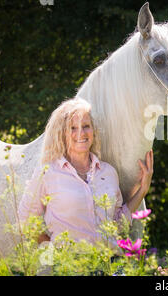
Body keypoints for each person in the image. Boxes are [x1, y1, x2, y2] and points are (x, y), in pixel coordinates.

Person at [18, 97, 153, 248]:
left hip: (105, 265)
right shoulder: (48, 172)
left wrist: (143, 190)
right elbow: (25, 219)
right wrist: (52, 253)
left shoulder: (108, 172)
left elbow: (116, 225)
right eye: (73, 128)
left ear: (94, 130)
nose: (81, 133)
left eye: (86, 126)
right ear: (62, 133)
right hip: (67, 267)